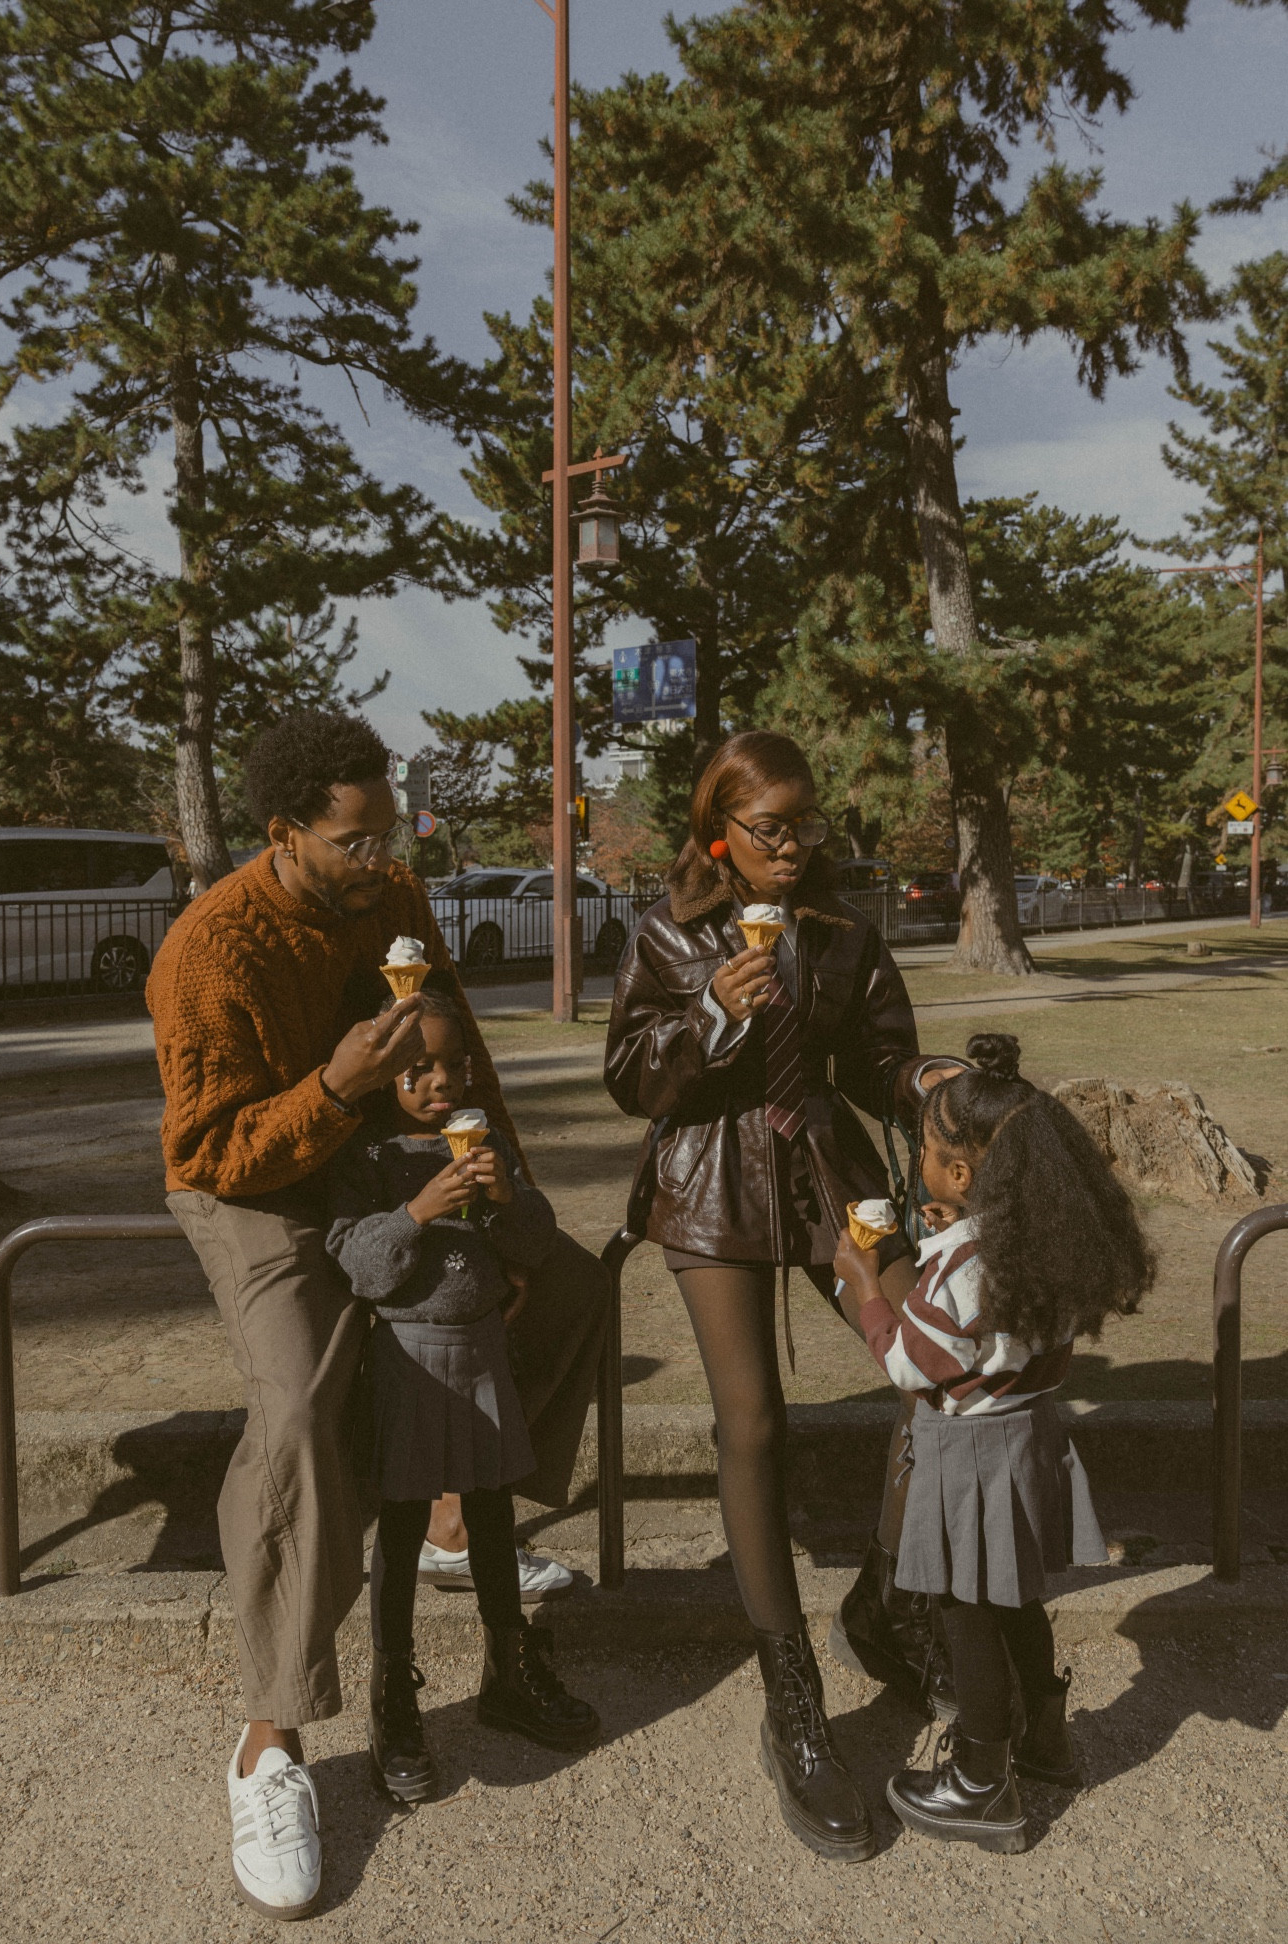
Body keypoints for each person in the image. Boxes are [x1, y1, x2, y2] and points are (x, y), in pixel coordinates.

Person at [146, 710, 607, 1921]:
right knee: (301, 1399)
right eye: (355, 840)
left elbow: (462, 1055)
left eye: (388, 832)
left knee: (568, 1284)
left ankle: (454, 1511)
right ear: (283, 831)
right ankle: (272, 1735)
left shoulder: (388, 893)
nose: (383, 859)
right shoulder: (208, 950)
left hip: (384, 1155)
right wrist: (337, 1087)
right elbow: (210, 1148)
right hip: (258, 1184)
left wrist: (504, 1201)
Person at [604, 729, 959, 1865]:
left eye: (807, 823)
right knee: (751, 1421)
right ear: (720, 831)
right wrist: (710, 1011)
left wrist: (926, 1081)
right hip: (708, 1180)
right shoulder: (669, 930)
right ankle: (791, 1694)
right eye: (770, 828)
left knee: (938, 1370)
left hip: (826, 1171)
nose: (795, 845)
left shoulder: (844, 930)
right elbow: (630, 1076)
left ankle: (881, 1603)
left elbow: (875, 1060)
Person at [836, 1033, 1157, 1852]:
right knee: (1014, 1598)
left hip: (967, 1455)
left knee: (965, 1613)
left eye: (927, 1151)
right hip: (1028, 1436)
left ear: (960, 1174)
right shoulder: (1043, 1243)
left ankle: (982, 1780)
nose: (920, 1164)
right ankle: (1045, 1740)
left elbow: (912, 1364)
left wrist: (866, 1288)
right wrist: (956, 1227)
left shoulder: (959, 1273)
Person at [326, 993, 600, 1803]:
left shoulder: (487, 1144)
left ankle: (507, 1668)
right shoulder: (368, 1154)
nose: (441, 1082)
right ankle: (392, 1692)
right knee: (402, 1524)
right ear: (386, 1073)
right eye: (419, 1069)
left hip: (482, 1355)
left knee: (491, 1513)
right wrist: (419, 1210)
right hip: (408, 1362)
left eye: (455, 1064)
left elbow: (536, 1241)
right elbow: (357, 1263)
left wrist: (506, 1198)